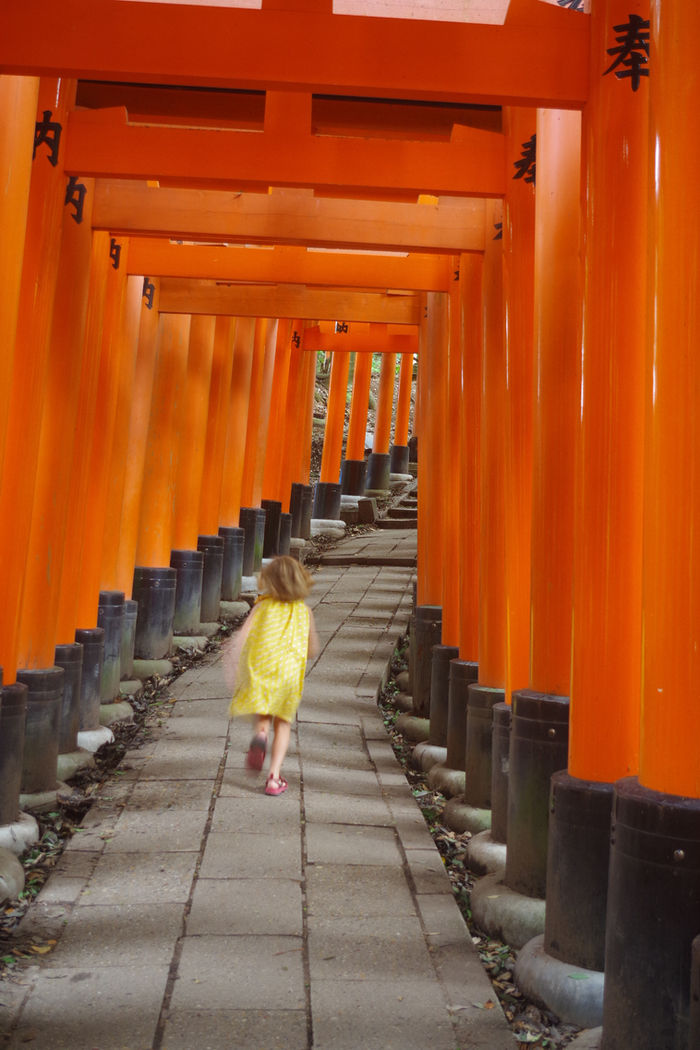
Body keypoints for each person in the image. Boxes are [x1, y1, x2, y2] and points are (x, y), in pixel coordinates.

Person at [226, 555, 318, 796]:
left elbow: (242, 638)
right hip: (288, 676)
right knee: (284, 724)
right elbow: (312, 650)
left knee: (264, 716)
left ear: (269, 582)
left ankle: (260, 735)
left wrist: (234, 665)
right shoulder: (304, 612)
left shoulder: (262, 606)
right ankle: (274, 778)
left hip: (261, 671)